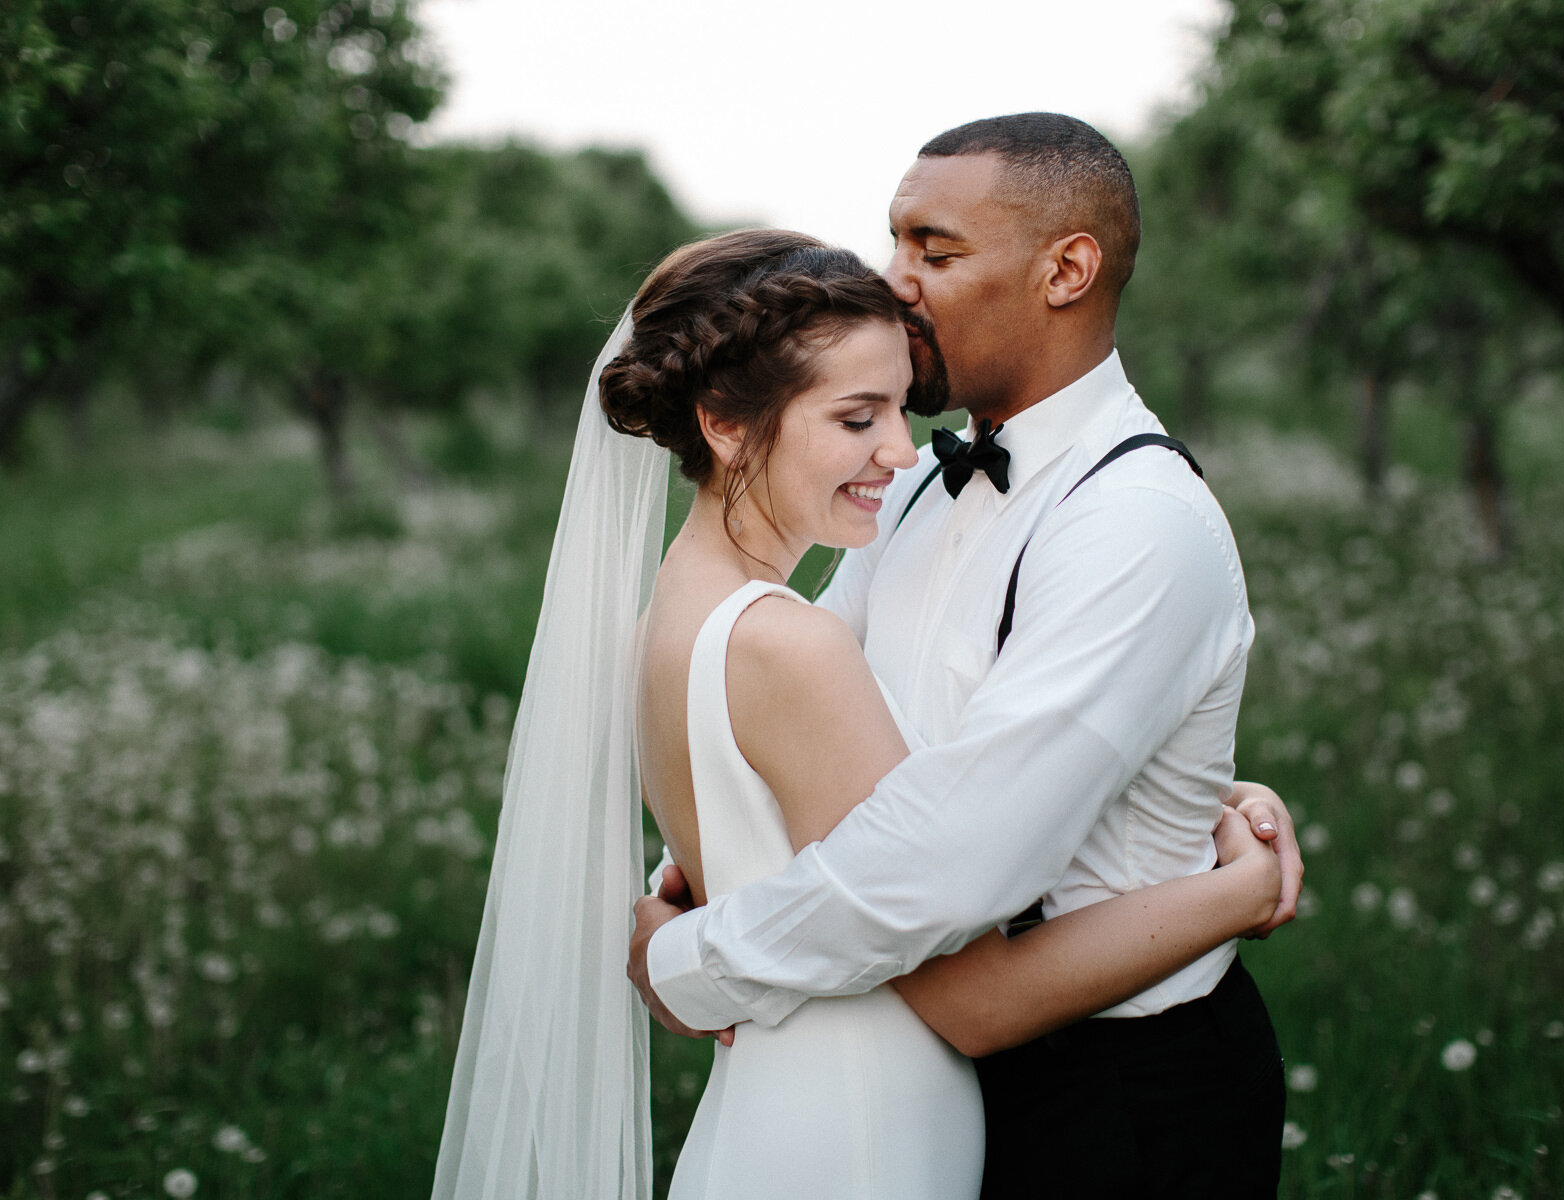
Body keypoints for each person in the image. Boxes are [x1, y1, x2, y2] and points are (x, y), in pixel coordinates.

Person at [432, 227, 1285, 1200]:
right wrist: (1238, 892)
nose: (900, 448)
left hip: (781, 1098)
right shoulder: (792, 644)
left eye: (896, 408)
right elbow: (966, 980)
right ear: (725, 423)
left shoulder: (670, 620)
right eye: (856, 418)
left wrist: (1180, 788)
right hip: (860, 1124)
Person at [631, 114, 1298, 1198]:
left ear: (1066, 270)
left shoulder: (1135, 519)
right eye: (892, 244)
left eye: (933, 253)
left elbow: (948, 865)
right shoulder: (913, 489)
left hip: (1119, 1091)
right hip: (931, 1058)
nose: (894, 284)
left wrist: (687, 964)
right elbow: (797, 722)